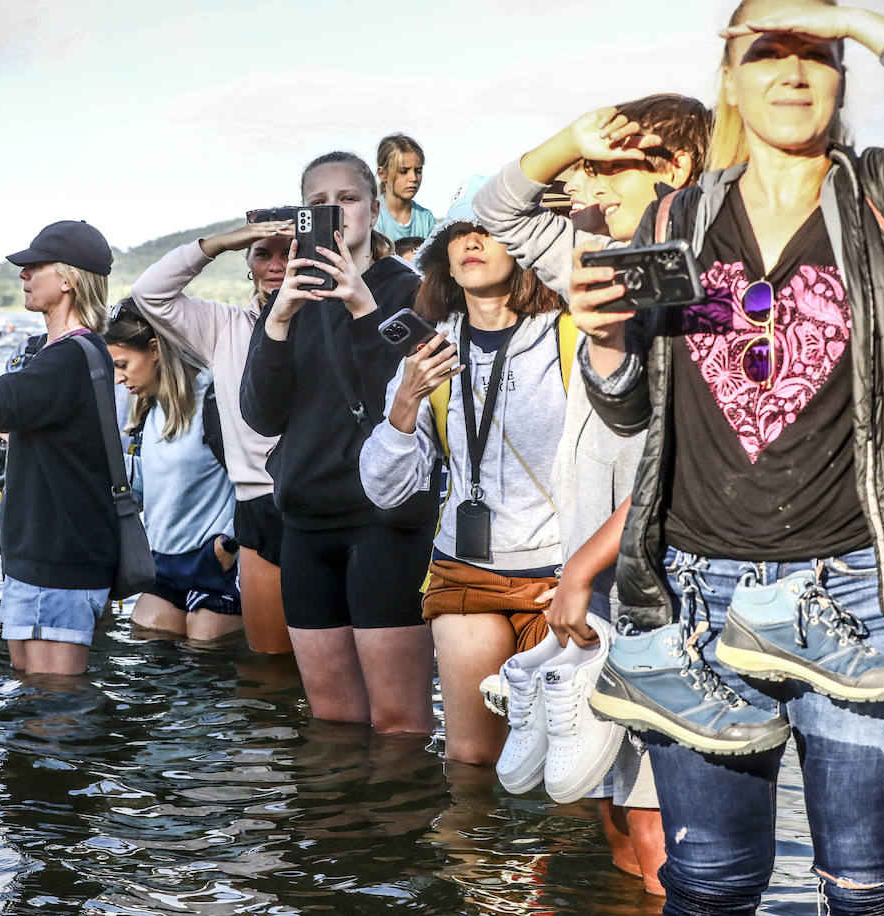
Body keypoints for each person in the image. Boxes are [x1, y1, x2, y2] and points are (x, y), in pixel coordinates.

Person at [570, 4, 884, 912]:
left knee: (870, 885)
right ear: (730, 78)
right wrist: (608, 343)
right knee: (706, 882)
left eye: (815, 51)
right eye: (765, 50)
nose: (792, 69)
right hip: (698, 599)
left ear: (844, 71)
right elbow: (631, 412)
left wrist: (853, 17)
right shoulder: (675, 214)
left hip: (862, 592)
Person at [474, 94, 712, 896]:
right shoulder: (594, 257)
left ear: (674, 169)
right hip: (596, 584)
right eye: (587, 167)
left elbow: (681, 464)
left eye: (610, 168)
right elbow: (497, 205)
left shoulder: (706, 283)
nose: (589, 182)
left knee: (656, 834)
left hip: (657, 585)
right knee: (610, 819)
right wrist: (575, 140)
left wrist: (581, 566)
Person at [360, 176, 575, 768]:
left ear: (525, 245)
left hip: (560, 574)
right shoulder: (429, 352)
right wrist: (404, 405)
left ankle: (545, 864)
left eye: (489, 230)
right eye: (457, 234)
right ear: (441, 260)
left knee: (571, 770)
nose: (471, 243)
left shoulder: (569, 337)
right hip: (464, 571)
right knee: (472, 764)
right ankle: (474, 864)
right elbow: (385, 488)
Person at [240, 150, 433, 733]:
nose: (334, 212)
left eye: (346, 199)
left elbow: (406, 399)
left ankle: (400, 825)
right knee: (332, 720)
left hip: (386, 522)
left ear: (374, 207)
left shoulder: (412, 290)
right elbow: (262, 415)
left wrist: (360, 304)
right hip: (305, 518)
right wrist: (276, 322)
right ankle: (340, 826)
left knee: (399, 725)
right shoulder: (291, 296)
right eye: (317, 205)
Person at [0, 220, 120, 676]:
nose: (23, 274)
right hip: (48, 558)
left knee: (52, 710)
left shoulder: (68, 358)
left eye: (35, 266)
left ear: (69, 278)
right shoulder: (70, 354)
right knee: (37, 700)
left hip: (57, 563)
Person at [132, 216, 295, 655]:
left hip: (314, 505)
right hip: (258, 510)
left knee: (304, 662)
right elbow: (149, 294)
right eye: (263, 253)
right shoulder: (228, 327)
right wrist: (220, 242)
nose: (276, 264)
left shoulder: (327, 327)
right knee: (265, 663)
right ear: (248, 262)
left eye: (288, 251)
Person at [105, 298, 242, 642]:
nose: (119, 379)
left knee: (206, 648)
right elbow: (154, 480)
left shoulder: (216, 397)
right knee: (145, 637)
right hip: (164, 562)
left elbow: (260, 477)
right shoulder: (151, 411)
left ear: (154, 349)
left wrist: (229, 541)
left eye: (122, 365)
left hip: (214, 561)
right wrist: (88, 460)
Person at [374, 133, 437, 243]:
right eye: (403, 171)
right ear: (382, 174)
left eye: (418, 171)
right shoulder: (373, 216)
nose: (413, 178)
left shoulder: (426, 219)